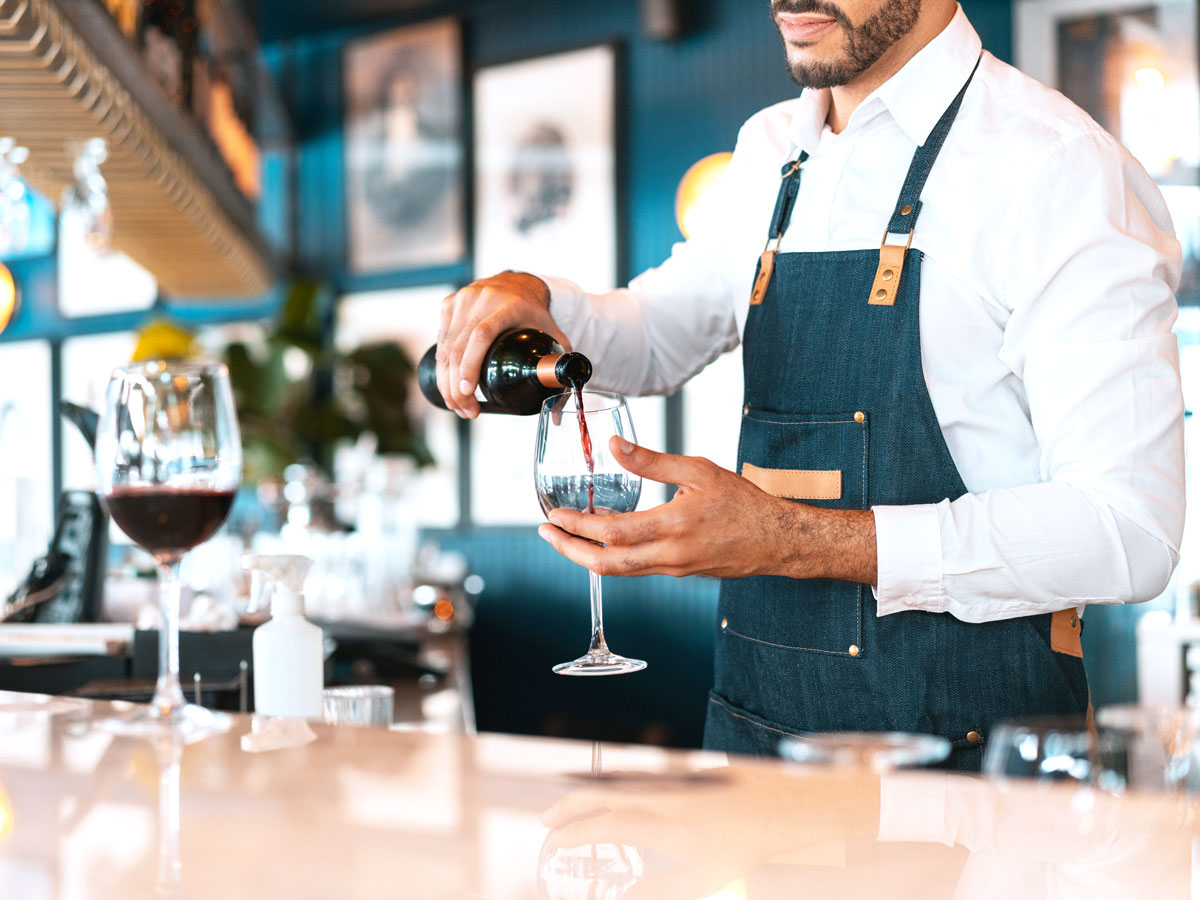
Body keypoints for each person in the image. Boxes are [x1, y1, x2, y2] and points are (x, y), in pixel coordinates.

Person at [434, 0, 1185, 770]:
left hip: (972, 787)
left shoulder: (1057, 167)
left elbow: (1129, 529)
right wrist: (537, 298)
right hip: (758, 756)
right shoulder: (769, 149)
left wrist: (792, 540)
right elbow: (657, 334)